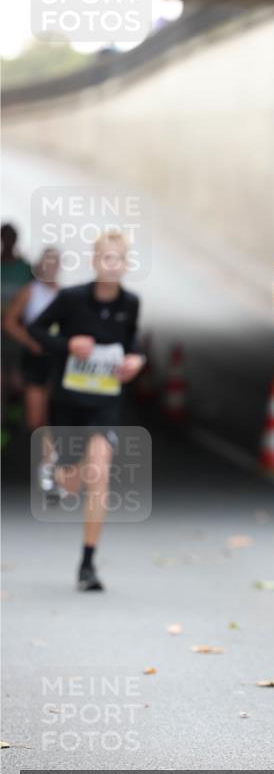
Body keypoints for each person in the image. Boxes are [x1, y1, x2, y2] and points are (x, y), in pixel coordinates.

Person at [28, 230, 144, 591]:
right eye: (106, 258)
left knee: (99, 471)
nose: (112, 265)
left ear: (126, 264)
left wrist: (136, 360)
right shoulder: (71, 298)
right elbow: (35, 329)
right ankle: (55, 470)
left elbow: (131, 342)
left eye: (119, 259)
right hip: (68, 403)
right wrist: (68, 345)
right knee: (71, 482)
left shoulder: (130, 303)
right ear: (95, 262)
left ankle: (88, 563)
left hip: (105, 404)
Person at [2, 247, 60, 433]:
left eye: (54, 263)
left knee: (54, 417)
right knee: (35, 420)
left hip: (57, 360)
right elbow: (9, 322)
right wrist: (31, 342)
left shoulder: (65, 294)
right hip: (36, 359)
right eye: (47, 262)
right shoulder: (30, 291)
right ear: (40, 265)